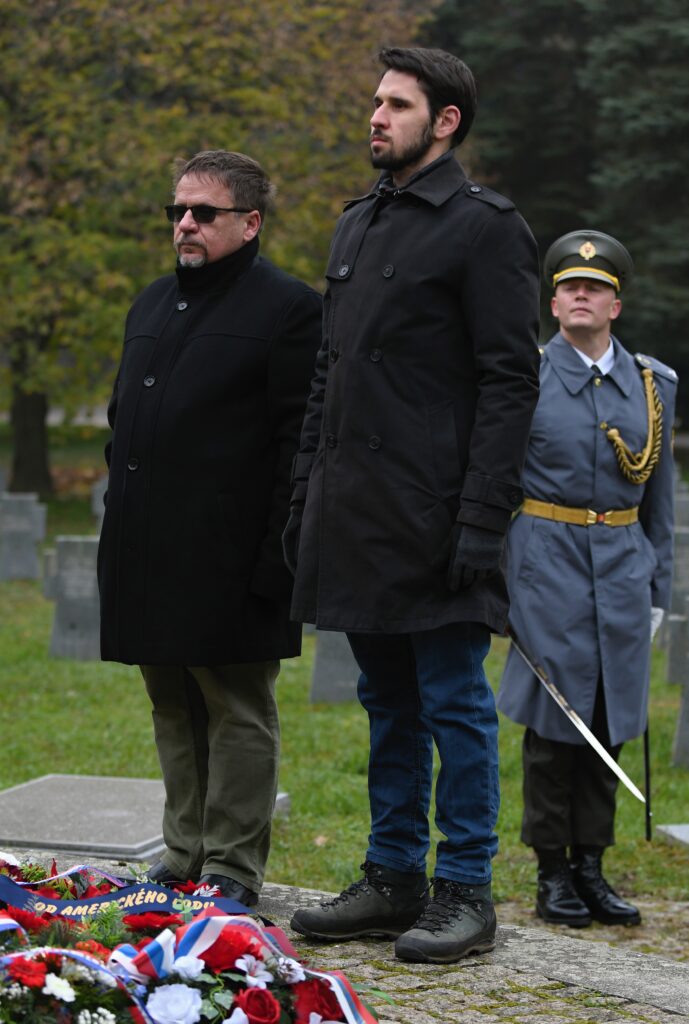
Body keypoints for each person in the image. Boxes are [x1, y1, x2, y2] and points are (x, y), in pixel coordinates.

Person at [283, 46, 540, 963]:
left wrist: (481, 518)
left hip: (437, 516)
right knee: (384, 701)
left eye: (395, 104)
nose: (374, 116)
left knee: (451, 705)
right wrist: (304, 492)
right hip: (355, 514)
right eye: (374, 102)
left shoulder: (485, 228)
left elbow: (511, 382)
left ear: (444, 121)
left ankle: (465, 889)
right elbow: (329, 373)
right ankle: (392, 877)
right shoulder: (356, 225)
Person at [98, 150, 322, 906]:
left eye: (203, 213)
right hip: (149, 549)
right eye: (177, 212)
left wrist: (278, 555)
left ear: (250, 222)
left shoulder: (289, 308)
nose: (184, 225)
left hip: (232, 554)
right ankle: (183, 848)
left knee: (235, 709)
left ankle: (230, 864)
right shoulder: (153, 302)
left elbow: (299, 442)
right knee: (170, 704)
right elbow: (121, 421)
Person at [497, 230, 677, 928]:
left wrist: (659, 590)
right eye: (569, 285)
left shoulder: (651, 384)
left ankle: (591, 866)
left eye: (594, 287)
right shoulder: (527, 376)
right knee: (555, 720)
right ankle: (550, 870)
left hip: (624, 564)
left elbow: (658, 494)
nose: (581, 294)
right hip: (548, 561)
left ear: (615, 305)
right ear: (552, 301)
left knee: (610, 718)